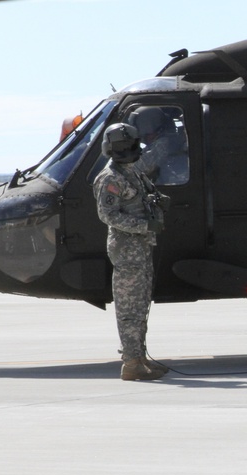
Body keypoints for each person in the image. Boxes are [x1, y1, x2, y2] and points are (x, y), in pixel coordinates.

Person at [93, 122, 169, 381]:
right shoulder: (111, 177)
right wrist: (143, 225)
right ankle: (131, 362)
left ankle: (139, 358)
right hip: (127, 249)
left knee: (140, 305)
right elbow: (108, 214)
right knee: (129, 308)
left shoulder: (130, 171)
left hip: (140, 247)